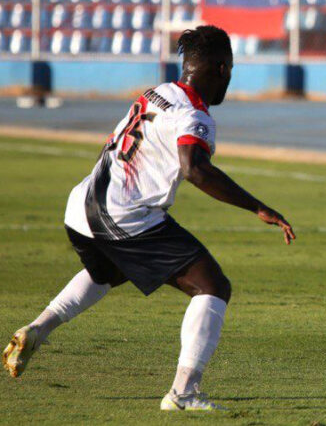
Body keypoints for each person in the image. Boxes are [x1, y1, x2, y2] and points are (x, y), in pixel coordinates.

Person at [2, 25, 296, 410]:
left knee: (108, 272)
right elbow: (195, 170)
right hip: (124, 216)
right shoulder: (193, 116)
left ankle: (37, 330)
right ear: (222, 69)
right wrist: (258, 206)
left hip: (81, 205)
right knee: (212, 286)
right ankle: (184, 393)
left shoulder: (156, 92)